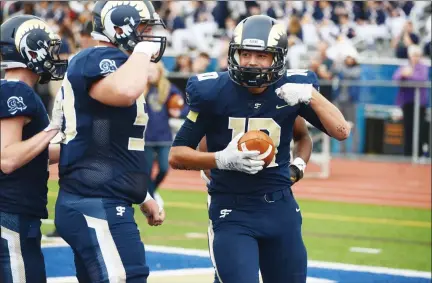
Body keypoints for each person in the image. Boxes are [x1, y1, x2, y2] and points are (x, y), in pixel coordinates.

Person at [169, 15, 350, 283]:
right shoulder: (213, 91)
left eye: (261, 55)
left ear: (278, 58)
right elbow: (176, 155)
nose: (251, 61)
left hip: (280, 208)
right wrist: (221, 159)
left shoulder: (291, 88)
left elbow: (340, 131)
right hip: (232, 209)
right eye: (245, 53)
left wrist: (310, 95)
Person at [53, 1, 167, 282]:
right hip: (95, 201)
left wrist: (142, 196)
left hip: (95, 198)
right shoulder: (99, 58)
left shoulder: (108, 65)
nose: (150, 35)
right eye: (143, 28)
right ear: (120, 27)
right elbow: (126, 90)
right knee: (129, 277)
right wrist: (141, 51)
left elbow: (103, 141)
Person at [0, 15, 67, 283]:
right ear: (30, 48)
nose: (52, 55)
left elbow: (29, 153)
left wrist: (77, 147)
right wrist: (54, 128)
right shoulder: (18, 91)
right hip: (11, 213)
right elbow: (7, 158)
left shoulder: (9, 89)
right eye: (48, 48)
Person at [144, 61, 187, 208]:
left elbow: (184, 107)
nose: (150, 73)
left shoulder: (168, 88)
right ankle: (150, 199)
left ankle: (151, 193)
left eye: (153, 70)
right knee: (146, 171)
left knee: (164, 168)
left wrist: (179, 112)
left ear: (160, 72)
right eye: (147, 70)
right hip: (145, 137)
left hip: (163, 136)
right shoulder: (139, 87)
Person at [392, 44, 430, 157]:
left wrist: (409, 75)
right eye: (413, 55)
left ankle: (418, 154)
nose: (415, 57)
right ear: (409, 55)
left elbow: (421, 79)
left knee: (419, 129)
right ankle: (408, 155)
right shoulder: (405, 66)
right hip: (407, 103)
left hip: (420, 104)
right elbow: (396, 78)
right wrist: (404, 75)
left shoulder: (423, 67)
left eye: (417, 55)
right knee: (408, 129)